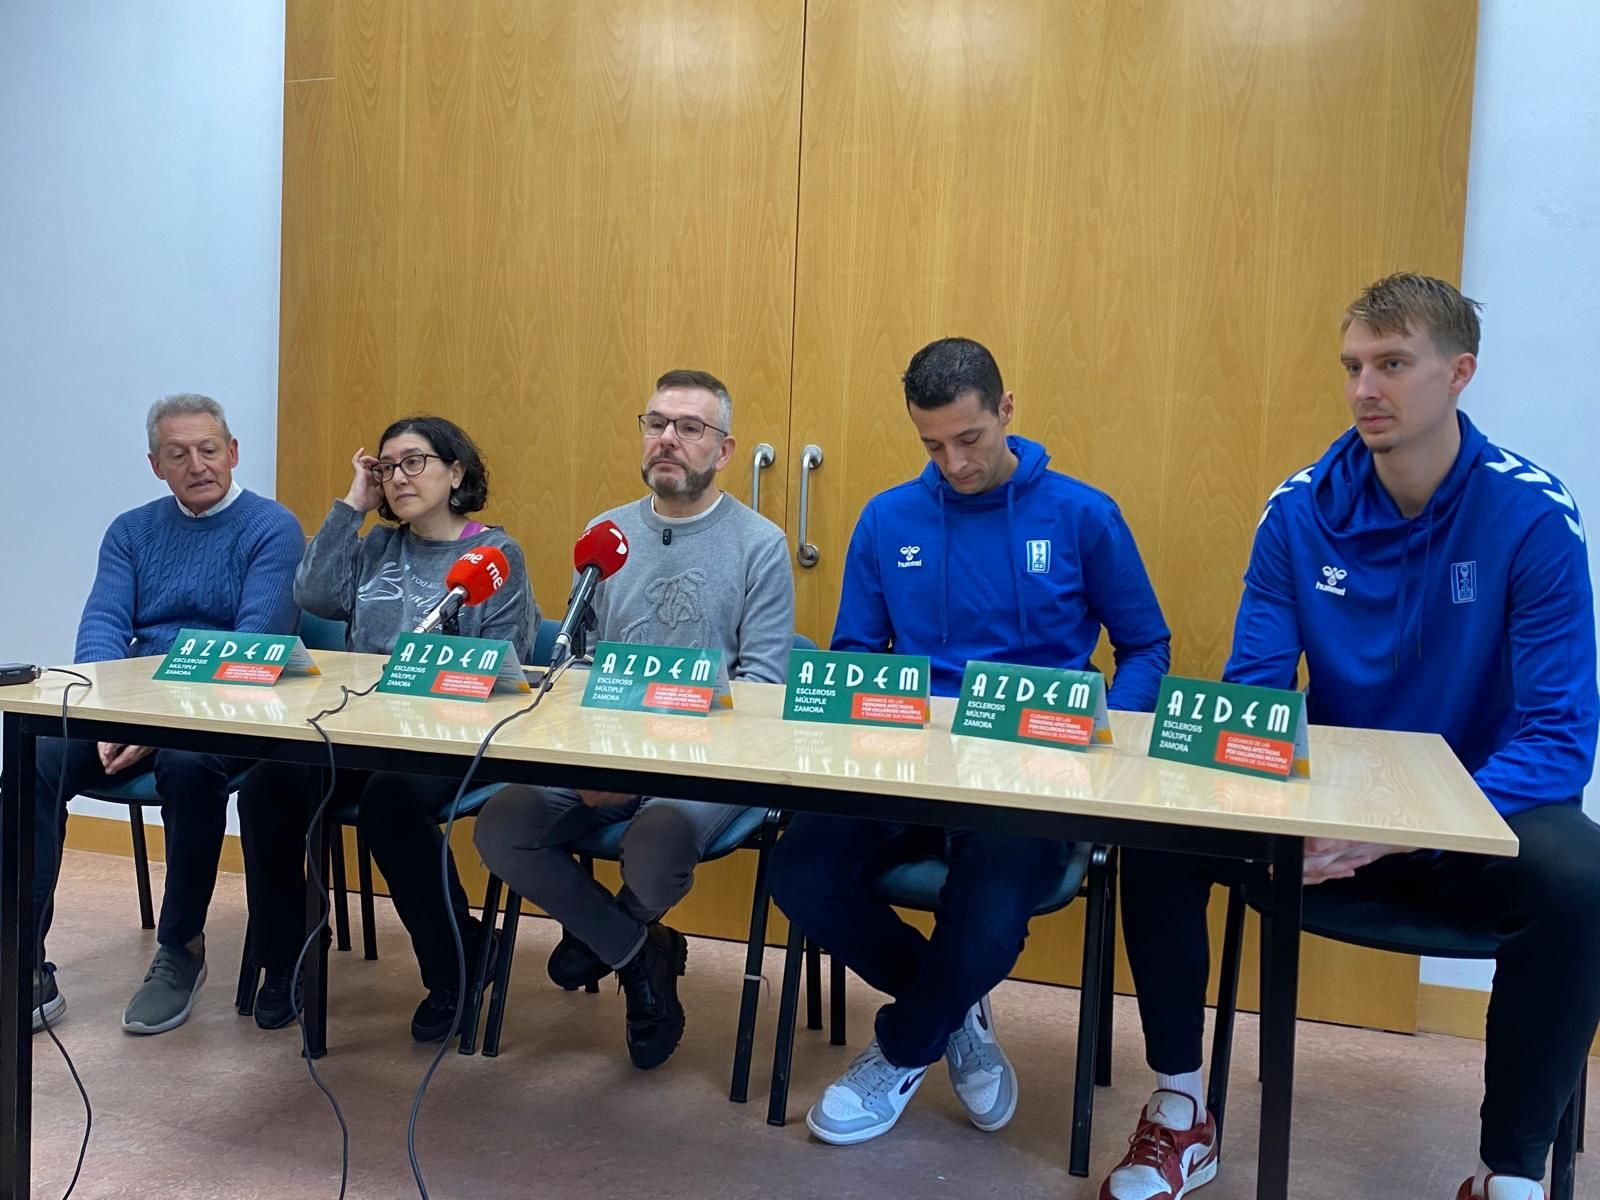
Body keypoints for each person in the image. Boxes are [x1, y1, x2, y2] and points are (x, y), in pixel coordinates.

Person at [1102, 274, 1600, 1200]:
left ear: (1460, 373)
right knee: (1156, 827)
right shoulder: (1298, 511)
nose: (1366, 388)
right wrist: (1286, 813)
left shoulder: (1532, 513)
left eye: (1393, 365)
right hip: (1321, 819)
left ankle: (1512, 1173)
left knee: (1585, 877)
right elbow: (1255, 695)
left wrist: (1396, 824)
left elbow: (1561, 737)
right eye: (1354, 366)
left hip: (1480, 817)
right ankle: (1180, 1111)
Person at [768, 337, 1172, 1145]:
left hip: (1032, 766)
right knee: (800, 872)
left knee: (987, 914)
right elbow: (855, 654)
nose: (953, 463)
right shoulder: (888, 518)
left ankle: (902, 1045)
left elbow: (1146, 646)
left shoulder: (1083, 514)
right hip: (907, 757)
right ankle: (953, 1009)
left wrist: (1104, 738)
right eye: (931, 445)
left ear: (1007, 411)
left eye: (970, 439)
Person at [474, 369, 793, 1069]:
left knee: (655, 841)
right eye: (656, 424)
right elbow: (576, 664)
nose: (669, 440)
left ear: (726, 449)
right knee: (502, 826)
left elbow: (763, 688)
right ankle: (639, 952)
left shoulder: (759, 543)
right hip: (605, 749)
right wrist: (598, 761)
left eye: (690, 428)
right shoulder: (604, 534)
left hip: (707, 762)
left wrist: (644, 763)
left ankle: (611, 932)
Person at [237, 415, 538, 1040]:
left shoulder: (495, 555)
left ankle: (456, 964)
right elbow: (315, 595)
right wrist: (354, 503)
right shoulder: (376, 546)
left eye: (414, 462)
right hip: (360, 729)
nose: (398, 477)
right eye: (386, 466)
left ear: (456, 472)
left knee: (390, 802)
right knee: (268, 783)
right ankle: (286, 957)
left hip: (449, 736)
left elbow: (508, 660)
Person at [32, 393, 303, 1036]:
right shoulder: (131, 530)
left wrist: (154, 727)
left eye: (209, 449)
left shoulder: (273, 528)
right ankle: (23, 959)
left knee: (186, 764)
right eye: (177, 454)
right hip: (135, 711)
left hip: (233, 715)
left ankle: (180, 948)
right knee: (37, 751)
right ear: (156, 465)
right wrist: (109, 717)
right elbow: (102, 628)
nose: (197, 464)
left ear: (233, 453)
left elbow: (253, 646)